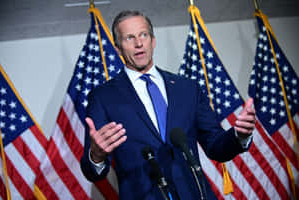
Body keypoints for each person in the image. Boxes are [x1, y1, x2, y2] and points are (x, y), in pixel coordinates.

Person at [80, 10, 256, 200]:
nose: (139, 43)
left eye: (143, 35)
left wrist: (239, 135)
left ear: (153, 41)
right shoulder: (103, 97)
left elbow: (215, 146)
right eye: (129, 38)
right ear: (118, 49)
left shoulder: (187, 88)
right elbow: (92, 172)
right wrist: (96, 156)